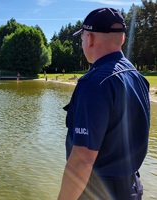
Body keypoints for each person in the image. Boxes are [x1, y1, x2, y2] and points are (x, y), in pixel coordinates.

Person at [58, 8, 150, 200]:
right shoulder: (138, 78)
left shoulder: (94, 83)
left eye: (82, 38)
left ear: (89, 38)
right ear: (122, 39)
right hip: (131, 188)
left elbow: (82, 161)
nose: (82, 43)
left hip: (99, 192)